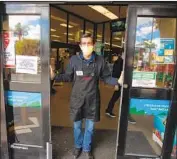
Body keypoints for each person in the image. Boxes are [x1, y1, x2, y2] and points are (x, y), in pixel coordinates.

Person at [50, 33, 120, 159]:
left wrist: (118, 81)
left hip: (92, 100)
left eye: (89, 43)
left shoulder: (100, 61)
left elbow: (106, 78)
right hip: (77, 99)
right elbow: (68, 76)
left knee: (90, 128)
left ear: (93, 45)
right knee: (77, 126)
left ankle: (87, 148)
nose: (86, 46)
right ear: (80, 45)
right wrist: (54, 76)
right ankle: (78, 147)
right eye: (84, 44)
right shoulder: (74, 60)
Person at [105, 50, 136, 124]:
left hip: (120, 83)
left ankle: (109, 110)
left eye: (113, 56)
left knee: (116, 98)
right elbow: (116, 74)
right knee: (123, 99)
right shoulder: (119, 62)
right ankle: (126, 115)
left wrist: (116, 84)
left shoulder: (120, 62)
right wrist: (116, 84)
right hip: (120, 84)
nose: (112, 58)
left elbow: (117, 74)